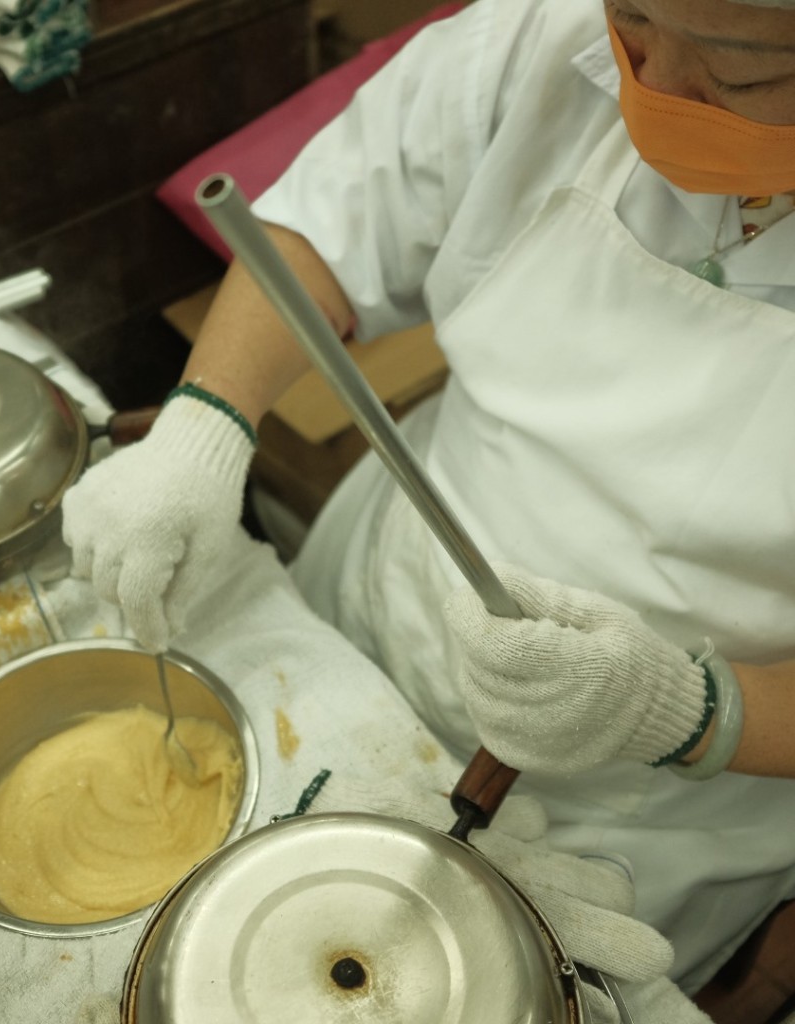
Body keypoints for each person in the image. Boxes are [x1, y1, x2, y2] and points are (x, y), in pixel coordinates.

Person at [62, 0, 795, 1009]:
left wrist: (689, 711)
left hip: (644, 801)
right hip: (375, 608)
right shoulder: (534, 41)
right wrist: (204, 427)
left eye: (742, 76)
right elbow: (319, 233)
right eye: (632, 24)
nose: (654, 89)